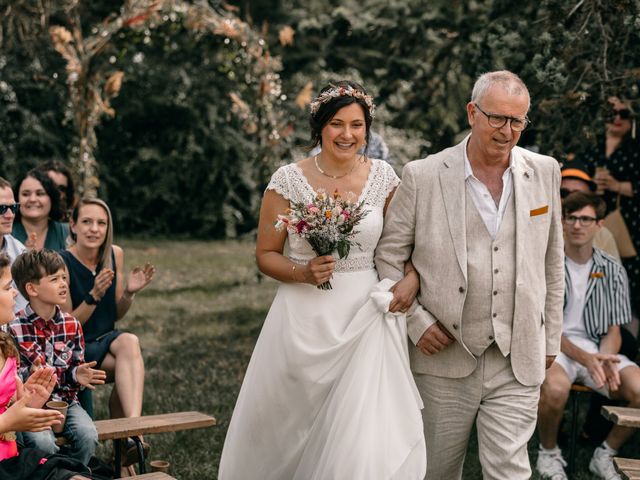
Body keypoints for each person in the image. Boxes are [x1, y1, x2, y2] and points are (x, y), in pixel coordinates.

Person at [219, 80, 426, 479]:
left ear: (368, 129)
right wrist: (303, 272)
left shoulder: (385, 177)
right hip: (303, 316)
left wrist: (412, 278)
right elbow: (265, 255)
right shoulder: (288, 180)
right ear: (319, 129)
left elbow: (405, 245)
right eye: (336, 124)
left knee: (363, 433)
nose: (347, 135)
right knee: (292, 425)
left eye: (357, 125)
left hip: (366, 316)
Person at [375, 70, 564, 479]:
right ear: (472, 113)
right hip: (443, 355)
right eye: (497, 118)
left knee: (510, 472)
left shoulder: (545, 171)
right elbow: (388, 257)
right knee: (436, 470)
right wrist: (415, 322)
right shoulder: (423, 175)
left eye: (517, 121)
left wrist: (550, 338)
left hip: (518, 356)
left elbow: (552, 261)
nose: (507, 131)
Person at [536, 191, 640, 480]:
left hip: (597, 349)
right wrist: (586, 358)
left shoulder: (613, 270)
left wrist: (604, 358)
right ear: (562, 222)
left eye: (585, 219)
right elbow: (541, 327)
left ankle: (605, 452)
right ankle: (548, 453)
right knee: (555, 390)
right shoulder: (546, 265)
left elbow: (614, 329)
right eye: (571, 218)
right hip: (554, 349)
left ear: (600, 225)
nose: (578, 225)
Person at [59, 198, 154, 469]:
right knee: (130, 367)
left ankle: (131, 434)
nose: (94, 229)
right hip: (76, 350)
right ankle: (130, 442)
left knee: (129, 343)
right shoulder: (61, 261)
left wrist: (128, 293)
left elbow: (115, 314)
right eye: (86, 222)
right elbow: (67, 326)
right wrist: (94, 295)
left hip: (106, 341)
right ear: (73, 225)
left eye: (101, 223)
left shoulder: (114, 253)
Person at [9, 250, 106, 465]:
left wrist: (76, 374)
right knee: (43, 444)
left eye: (64, 277)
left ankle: (74, 473)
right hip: (31, 407)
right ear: (32, 288)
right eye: (54, 279)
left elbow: (74, 367)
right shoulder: (14, 328)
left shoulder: (71, 325)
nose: (63, 284)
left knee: (88, 436)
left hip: (67, 403)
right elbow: (10, 378)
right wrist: (30, 375)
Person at [583, 97, 640, 319]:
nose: (617, 118)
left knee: (629, 274)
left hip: (630, 221)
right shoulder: (592, 146)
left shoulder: (635, 148)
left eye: (623, 114)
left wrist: (617, 186)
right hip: (595, 220)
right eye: (610, 113)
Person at [560, 160, 620, 261]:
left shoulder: (602, 234)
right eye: (563, 193)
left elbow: (614, 274)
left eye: (577, 194)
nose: (570, 199)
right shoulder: (540, 229)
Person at [12, 169, 69, 251]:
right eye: (25, 194)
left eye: (40, 194)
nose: (32, 199)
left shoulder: (67, 233)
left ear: (52, 198)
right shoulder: (5, 233)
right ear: (16, 199)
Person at [0, 177, 27, 315]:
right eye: (2, 209)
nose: (10, 215)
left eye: (13, 207)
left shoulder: (19, 251)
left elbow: (21, 310)